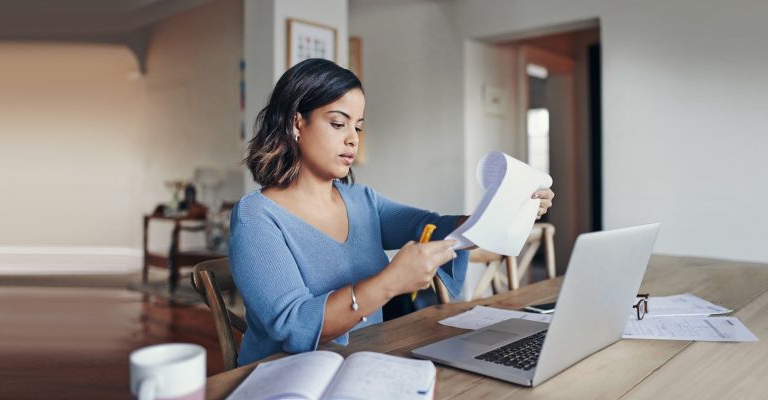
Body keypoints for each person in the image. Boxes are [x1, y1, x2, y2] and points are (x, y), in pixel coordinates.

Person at [229, 59, 554, 366]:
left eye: (358, 127)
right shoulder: (256, 217)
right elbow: (293, 325)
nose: (352, 139)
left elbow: (435, 227)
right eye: (338, 123)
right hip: (287, 382)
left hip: (366, 366)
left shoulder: (362, 201)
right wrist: (390, 281)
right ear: (296, 122)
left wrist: (508, 209)